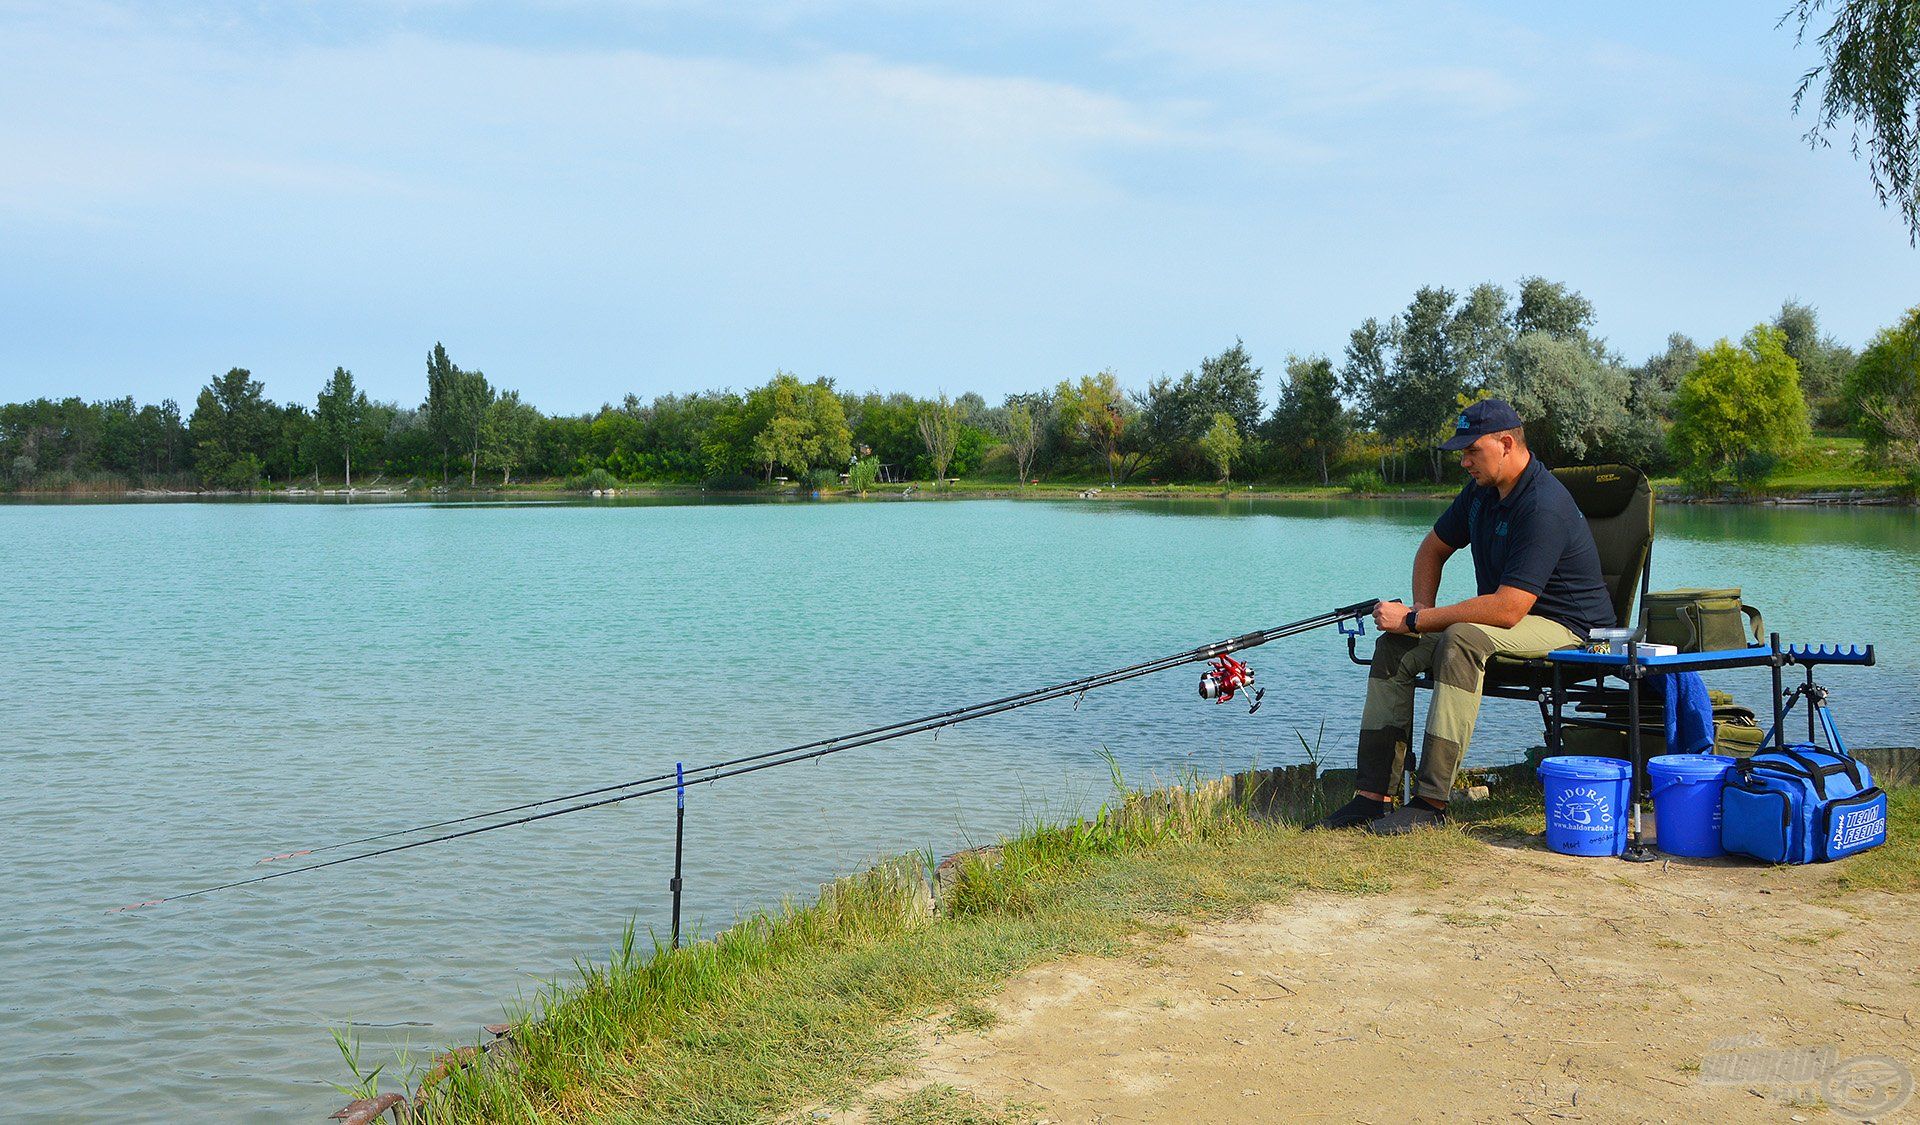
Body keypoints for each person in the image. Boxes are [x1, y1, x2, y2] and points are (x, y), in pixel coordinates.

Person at [1311, 399, 1616, 835]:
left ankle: (1431, 803)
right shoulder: (1481, 492)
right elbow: (1432, 548)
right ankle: (1372, 797)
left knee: (1461, 638)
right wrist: (1417, 612)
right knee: (1394, 643)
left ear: (1506, 443)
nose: (1464, 462)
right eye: (1460, 453)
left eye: (1472, 451)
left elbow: (1509, 609)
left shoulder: (1543, 505)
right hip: (1506, 619)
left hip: (1568, 629)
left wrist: (1420, 620)